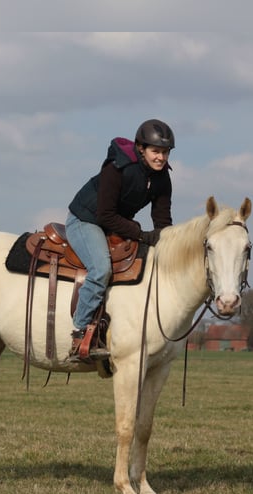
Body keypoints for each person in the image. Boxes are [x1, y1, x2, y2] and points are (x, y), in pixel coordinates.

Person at [65, 118, 175, 359]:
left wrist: (169, 244)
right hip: (87, 220)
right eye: (155, 151)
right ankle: (79, 333)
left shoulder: (162, 178)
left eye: (165, 152)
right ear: (141, 149)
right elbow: (105, 215)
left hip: (114, 224)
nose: (161, 157)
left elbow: (162, 221)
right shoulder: (118, 167)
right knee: (101, 269)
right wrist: (142, 234)